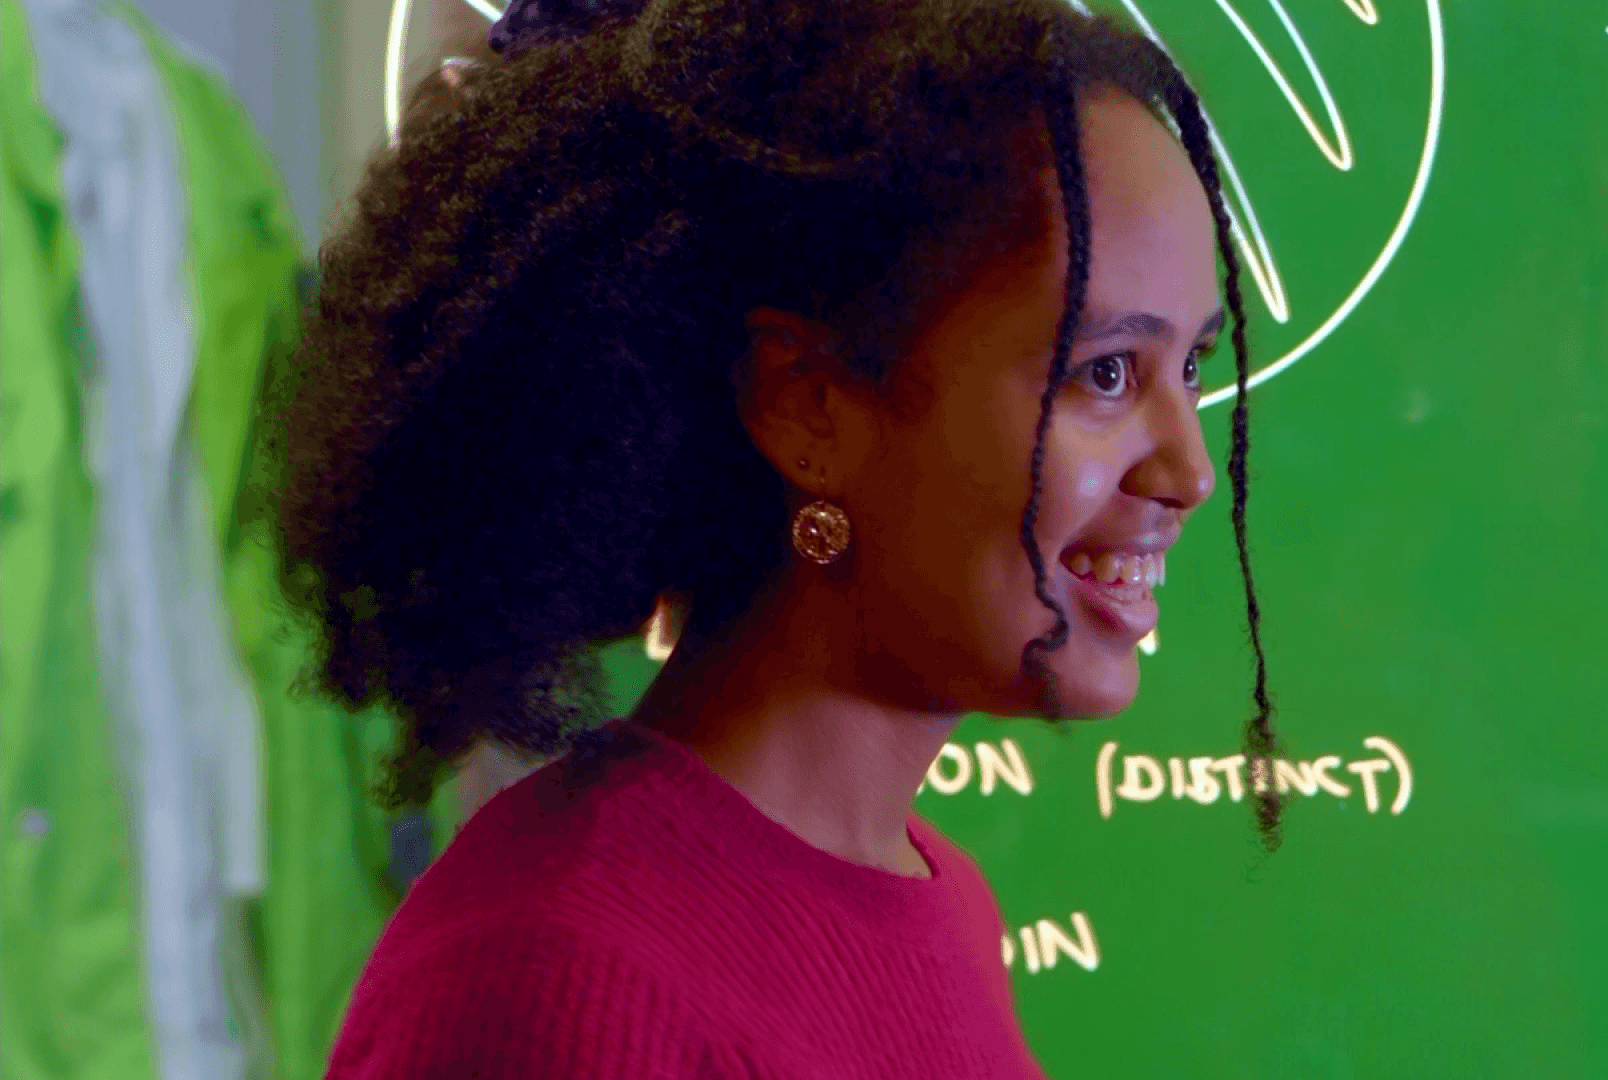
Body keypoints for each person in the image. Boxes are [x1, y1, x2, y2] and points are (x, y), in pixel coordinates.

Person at [261, 0, 1279, 1074]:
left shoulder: (939, 898)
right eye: (1106, 372)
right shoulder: (555, 981)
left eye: (1193, 369)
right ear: (807, 404)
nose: (1189, 472)